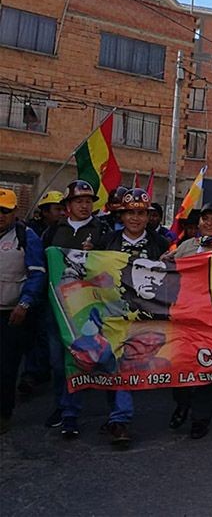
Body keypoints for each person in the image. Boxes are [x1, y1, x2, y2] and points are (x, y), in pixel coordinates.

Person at [99, 188, 170, 445]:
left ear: (148, 217)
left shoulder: (161, 244)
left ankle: (121, 419)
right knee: (110, 363)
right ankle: (115, 416)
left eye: (141, 213)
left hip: (144, 315)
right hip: (111, 312)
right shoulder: (106, 241)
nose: (135, 218)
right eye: (130, 213)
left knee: (126, 363)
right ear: (121, 215)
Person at [42, 180, 111, 439]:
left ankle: (71, 412)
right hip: (56, 307)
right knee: (57, 362)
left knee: (79, 358)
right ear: (67, 206)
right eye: (79, 201)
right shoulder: (53, 230)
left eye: (88, 201)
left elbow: (111, 268)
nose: (84, 206)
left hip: (86, 308)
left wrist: (97, 255)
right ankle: (60, 405)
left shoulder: (102, 231)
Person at [167, 202, 212, 440]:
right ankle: (182, 404)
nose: (209, 223)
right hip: (184, 316)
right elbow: (169, 269)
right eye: (205, 219)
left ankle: (200, 418)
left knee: (209, 368)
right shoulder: (187, 245)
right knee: (180, 364)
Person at [0, 188, 46, 434]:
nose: (0, 215)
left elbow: (37, 274)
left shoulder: (26, 237)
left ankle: (3, 414)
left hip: (12, 314)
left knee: (6, 367)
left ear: (15, 212)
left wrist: (25, 303)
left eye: (5, 211)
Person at [19, 190, 65, 394]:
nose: (61, 213)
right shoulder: (28, 232)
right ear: (44, 212)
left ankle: (41, 370)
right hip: (32, 289)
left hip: (55, 291)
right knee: (33, 334)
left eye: (63, 209)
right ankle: (32, 372)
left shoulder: (63, 231)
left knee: (46, 334)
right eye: (57, 209)